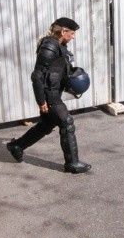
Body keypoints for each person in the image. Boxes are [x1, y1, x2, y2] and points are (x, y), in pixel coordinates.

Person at [7, 17, 91, 174]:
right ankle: (72, 163)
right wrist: (41, 100)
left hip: (54, 92)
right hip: (49, 94)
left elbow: (59, 68)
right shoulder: (50, 45)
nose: (73, 37)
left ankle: (17, 146)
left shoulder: (60, 45)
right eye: (71, 33)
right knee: (67, 123)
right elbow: (37, 75)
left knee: (46, 125)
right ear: (63, 31)